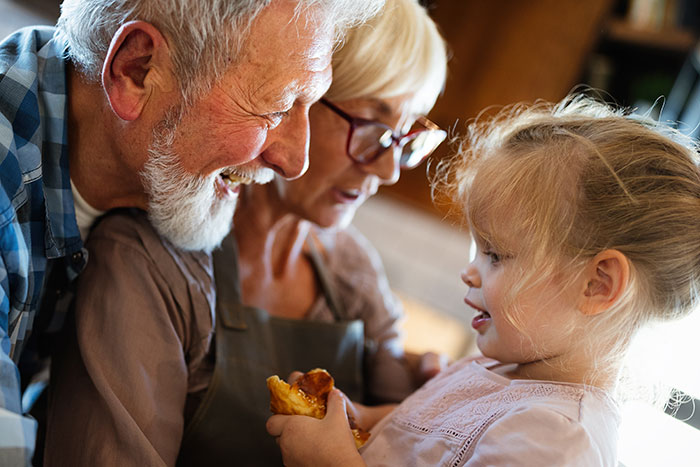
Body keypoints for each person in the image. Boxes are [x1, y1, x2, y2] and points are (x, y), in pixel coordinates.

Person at [44, 0, 446, 465]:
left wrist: (449, 394)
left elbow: (414, 434)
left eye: (406, 139)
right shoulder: (146, 259)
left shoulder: (352, 270)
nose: (390, 169)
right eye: (373, 130)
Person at [266, 94, 700, 466]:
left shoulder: (556, 441)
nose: (470, 270)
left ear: (597, 285)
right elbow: (421, 432)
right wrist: (360, 418)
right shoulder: (497, 369)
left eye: (496, 254)